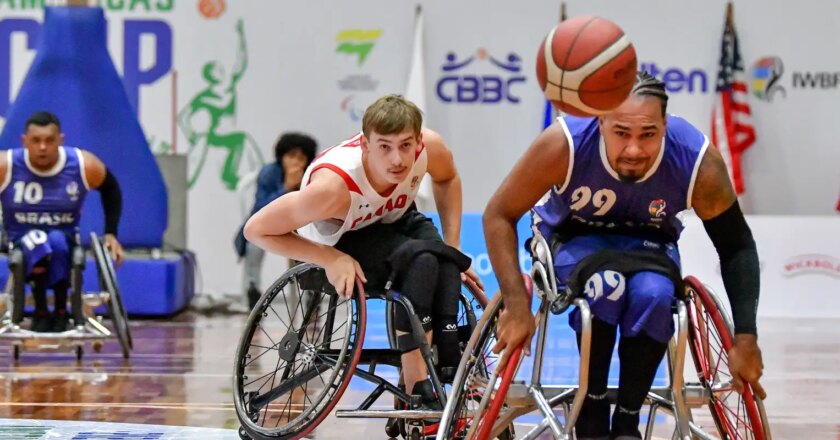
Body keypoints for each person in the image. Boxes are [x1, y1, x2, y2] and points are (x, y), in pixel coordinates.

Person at [484, 72, 765, 439]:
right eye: (621, 133)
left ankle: (628, 420)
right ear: (600, 122)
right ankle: (593, 406)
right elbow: (499, 215)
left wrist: (745, 338)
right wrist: (516, 305)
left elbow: (737, 246)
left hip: (649, 244)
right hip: (574, 238)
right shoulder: (565, 143)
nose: (634, 149)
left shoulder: (696, 160)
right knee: (606, 287)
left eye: (648, 134)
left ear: (665, 125)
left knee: (655, 296)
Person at [244, 94, 482, 416]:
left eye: (405, 146)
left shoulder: (430, 148)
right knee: (423, 262)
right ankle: (417, 383)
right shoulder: (331, 188)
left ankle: (449, 363)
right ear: (365, 146)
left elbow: (448, 178)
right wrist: (328, 258)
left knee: (446, 261)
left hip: (393, 216)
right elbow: (256, 229)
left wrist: (452, 246)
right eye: (384, 147)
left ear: (417, 141)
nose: (397, 159)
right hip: (344, 235)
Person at [0, 111, 124, 333]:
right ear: (24, 141)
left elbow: (111, 190)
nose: (43, 147)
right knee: (38, 241)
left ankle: (59, 310)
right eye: (36, 140)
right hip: (20, 237)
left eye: (49, 140)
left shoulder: (83, 165)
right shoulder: (5, 165)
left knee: (56, 241)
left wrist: (111, 233)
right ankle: (39, 309)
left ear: (61, 140)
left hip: (64, 238)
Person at [234, 132, 317, 308]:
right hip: (271, 227)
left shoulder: (312, 175)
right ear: (282, 156)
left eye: (301, 158)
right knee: (253, 244)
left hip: (300, 228)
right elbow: (259, 208)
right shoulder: (269, 173)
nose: (295, 162)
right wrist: (285, 187)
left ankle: (311, 295)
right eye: (291, 156)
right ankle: (253, 290)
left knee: (313, 244)